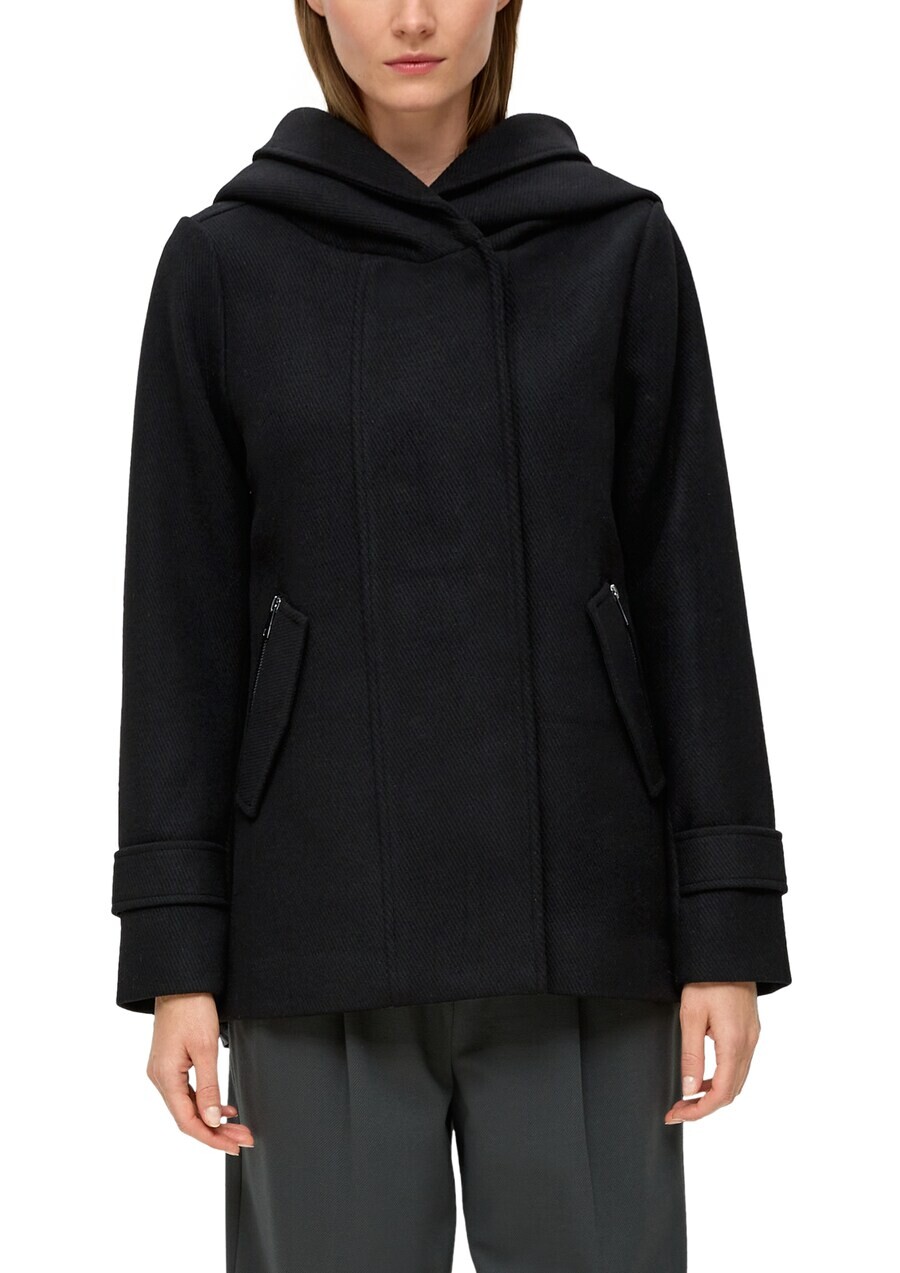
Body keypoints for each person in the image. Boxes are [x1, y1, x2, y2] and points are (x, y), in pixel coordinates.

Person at [110, 2, 792, 1270]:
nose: (412, 17)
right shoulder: (225, 263)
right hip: (315, 918)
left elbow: (692, 592)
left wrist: (728, 925)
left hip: (585, 913)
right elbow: (178, 624)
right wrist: (174, 953)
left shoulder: (618, 246)